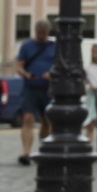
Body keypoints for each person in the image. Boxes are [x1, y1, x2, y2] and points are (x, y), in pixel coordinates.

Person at [15, 20, 57, 165]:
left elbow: (59, 66)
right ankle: (26, 153)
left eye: (44, 34)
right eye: (39, 34)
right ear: (35, 31)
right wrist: (26, 74)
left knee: (47, 121)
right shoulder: (26, 46)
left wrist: (51, 74)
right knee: (28, 119)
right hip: (30, 87)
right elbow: (19, 66)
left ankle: (46, 150)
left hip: (48, 88)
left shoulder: (54, 46)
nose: (41, 36)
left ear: (48, 33)